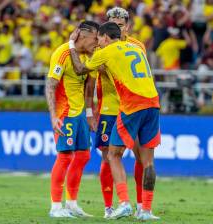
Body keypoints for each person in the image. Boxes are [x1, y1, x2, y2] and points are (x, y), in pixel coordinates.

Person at [68, 22, 161, 221]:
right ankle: (145, 210)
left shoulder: (107, 51)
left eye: (99, 39)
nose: (98, 43)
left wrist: (70, 44)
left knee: (113, 154)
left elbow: (78, 69)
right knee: (148, 161)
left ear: (106, 37)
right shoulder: (136, 48)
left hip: (132, 104)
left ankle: (125, 203)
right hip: (153, 102)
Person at [86, 7, 148, 218]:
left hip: (135, 108)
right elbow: (90, 81)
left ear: (127, 26)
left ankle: (141, 206)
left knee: (141, 157)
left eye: (121, 25)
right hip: (109, 109)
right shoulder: (100, 48)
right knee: (108, 156)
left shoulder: (137, 46)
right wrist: (89, 111)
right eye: (113, 25)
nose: (118, 29)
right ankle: (109, 208)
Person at [45, 21, 99, 218]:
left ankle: (72, 203)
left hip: (80, 115)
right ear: (83, 37)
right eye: (95, 38)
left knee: (84, 156)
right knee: (65, 157)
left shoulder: (89, 56)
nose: (97, 42)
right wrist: (53, 117)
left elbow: (88, 89)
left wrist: (89, 113)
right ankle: (55, 207)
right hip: (65, 113)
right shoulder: (62, 53)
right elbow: (50, 85)